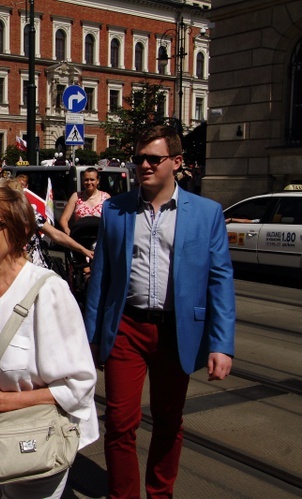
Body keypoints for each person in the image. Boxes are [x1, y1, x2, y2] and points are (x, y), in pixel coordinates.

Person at [85, 125, 235, 498]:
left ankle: (160, 493)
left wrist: (222, 343)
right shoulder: (116, 211)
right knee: (120, 421)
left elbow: (220, 281)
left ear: (177, 162)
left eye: (154, 158)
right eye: (139, 159)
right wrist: (90, 338)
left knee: (169, 421)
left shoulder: (206, 213)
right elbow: (100, 279)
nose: (145, 165)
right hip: (127, 328)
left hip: (176, 331)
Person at [0, 184, 98, 498]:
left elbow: (79, 385)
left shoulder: (48, 292)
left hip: (33, 447)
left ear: (18, 231)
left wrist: (3, 402)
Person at [59, 167, 111, 235]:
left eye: (92, 179)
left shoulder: (106, 197)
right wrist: (67, 230)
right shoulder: (76, 196)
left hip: (100, 237)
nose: (89, 182)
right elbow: (64, 218)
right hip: (80, 237)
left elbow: (111, 220)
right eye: (86, 180)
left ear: (98, 181)